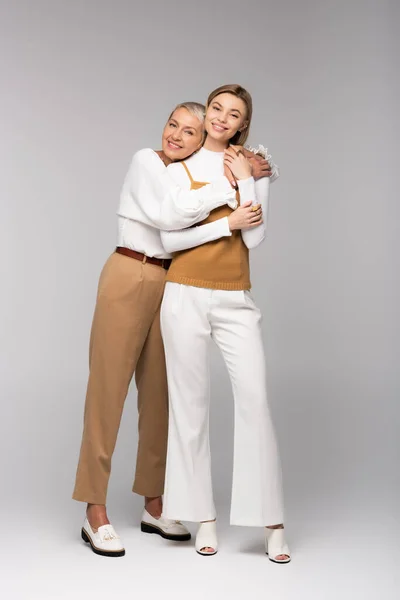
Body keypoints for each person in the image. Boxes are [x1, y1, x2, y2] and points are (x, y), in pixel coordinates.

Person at [72, 101, 272, 557]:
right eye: (173, 125)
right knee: (107, 391)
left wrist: (253, 175)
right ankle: (94, 509)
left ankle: (153, 502)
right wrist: (231, 183)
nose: (177, 136)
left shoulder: (190, 175)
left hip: (173, 280)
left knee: (162, 395)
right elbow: (168, 219)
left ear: (205, 141)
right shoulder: (147, 161)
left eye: (190, 131)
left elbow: (205, 219)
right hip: (130, 272)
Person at [160, 85, 291, 562]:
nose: (220, 118)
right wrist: (227, 217)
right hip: (183, 294)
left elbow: (254, 240)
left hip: (234, 297)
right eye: (216, 108)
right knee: (189, 407)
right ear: (208, 112)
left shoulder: (253, 165)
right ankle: (203, 518)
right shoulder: (180, 167)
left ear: (242, 125)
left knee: (255, 401)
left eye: (232, 114)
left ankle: (272, 522)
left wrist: (247, 179)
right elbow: (168, 238)